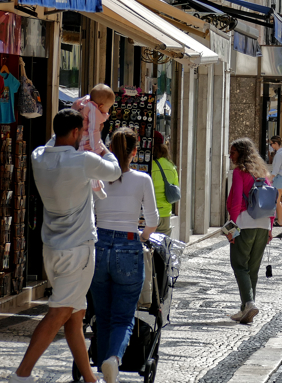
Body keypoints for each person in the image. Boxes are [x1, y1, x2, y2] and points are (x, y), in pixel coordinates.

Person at [14, 109, 122, 383]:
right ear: (75, 133)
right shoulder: (83, 160)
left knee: (75, 314)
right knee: (60, 311)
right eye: (81, 132)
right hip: (78, 249)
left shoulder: (38, 156)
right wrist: (99, 143)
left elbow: (55, 140)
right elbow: (115, 170)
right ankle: (21, 375)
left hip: (51, 248)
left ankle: (89, 378)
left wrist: (77, 123)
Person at [90, 128, 159, 383]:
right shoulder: (142, 180)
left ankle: (104, 359)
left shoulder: (98, 176)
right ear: (134, 152)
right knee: (124, 314)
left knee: (103, 312)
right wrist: (140, 238)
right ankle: (113, 359)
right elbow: (153, 221)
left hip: (99, 244)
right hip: (128, 245)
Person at [226, 138, 274, 324]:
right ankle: (245, 308)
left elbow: (237, 201)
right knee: (252, 269)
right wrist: (270, 227)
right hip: (263, 225)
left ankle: (248, 304)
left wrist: (232, 227)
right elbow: (271, 200)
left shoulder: (240, 172)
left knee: (239, 265)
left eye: (233, 153)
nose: (231, 156)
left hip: (244, 223)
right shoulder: (262, 172)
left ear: (242, 153)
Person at [151, 141, 179, 234]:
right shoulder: (171, 166)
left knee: (147, 243)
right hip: (166, 212)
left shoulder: (150, 166)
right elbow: (176, 186)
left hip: (150, 211)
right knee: (163, 244)